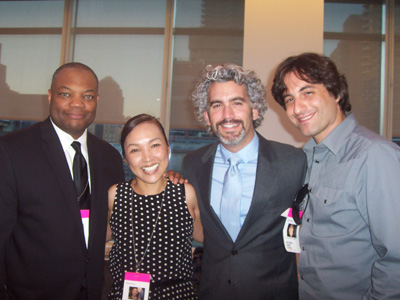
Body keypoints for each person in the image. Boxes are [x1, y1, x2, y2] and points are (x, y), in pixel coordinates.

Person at [271, 52, 400, 300]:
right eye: (289, 98)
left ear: (337, 93)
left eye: (308, 92)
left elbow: (396, 259)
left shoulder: (375, 156)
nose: (297, 108)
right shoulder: (304, 160)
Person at [0, 62, 125, 300]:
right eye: (65, 94)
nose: (77, 103)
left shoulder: (109, 157)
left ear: (96, 99)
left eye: (87, 96)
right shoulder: (12, 151)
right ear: (50, 96)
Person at [182, 64, 306, 300]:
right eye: (217, 105)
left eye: (237, 103)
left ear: (255, 110)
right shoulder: (193, 164)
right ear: (207, 116)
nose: (227, 115)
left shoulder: (293, 162)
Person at [107, 114, 203, 300]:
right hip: (125, 294)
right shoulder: (115, 195)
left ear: (167, 149)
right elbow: (94, 238)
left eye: (155, 145)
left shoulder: (185, 193)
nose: (147, 158)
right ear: (126, 158)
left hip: (177, 295)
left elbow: (207, 237)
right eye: (135, 150)